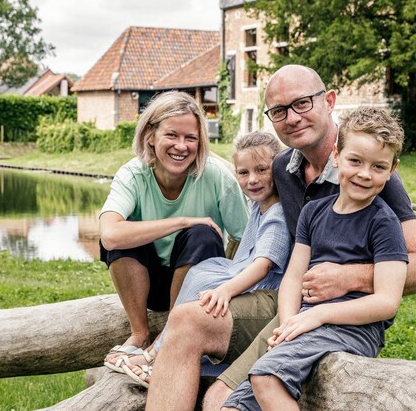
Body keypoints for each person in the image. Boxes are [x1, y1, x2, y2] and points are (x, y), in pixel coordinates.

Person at [62, 65, 416, 411]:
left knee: (221, 399)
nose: (293, 117)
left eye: (303, 103)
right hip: (284, 299)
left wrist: (348, 277)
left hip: (327, 311)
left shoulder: (371, 170)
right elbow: (266, 234)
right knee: (187, 318)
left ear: (329, 100)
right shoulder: (283, 166)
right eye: (279, 110)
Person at [207, 107, 408, 411]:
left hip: (354, 327)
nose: (364, 174)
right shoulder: (315, 213)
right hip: (305, 321)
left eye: (378, 167)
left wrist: (314, 319)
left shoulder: (383, 223)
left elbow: (387, 301)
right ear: (336, 156)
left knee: (264, 377)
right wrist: (286, 320)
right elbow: (293, 277)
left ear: (391, 171)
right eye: (355, 161)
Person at [118, 131, 292, 387]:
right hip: (242, 271)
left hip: (262, 289)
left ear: (277, 169)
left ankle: (157, 354)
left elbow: (263, 266)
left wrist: (225, 290)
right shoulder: (259, 204)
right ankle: (159, 349)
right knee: (203, 270)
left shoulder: (277, 214)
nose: (252, 180)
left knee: (205, 281)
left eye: (261, 170)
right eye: (243, 173)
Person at [98, 90, 249, 374]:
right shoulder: (132, 175)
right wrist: (182, 220)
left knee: (203, 235)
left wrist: (231, 287)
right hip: (150, 286)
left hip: (199, 287)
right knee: (125, 231)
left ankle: (168, 338)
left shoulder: (216, 176)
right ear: (150, 136)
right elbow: (110, 235)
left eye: (190, 138)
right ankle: (139, 334)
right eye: (172, 135)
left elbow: (246, 238)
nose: (181, 146)